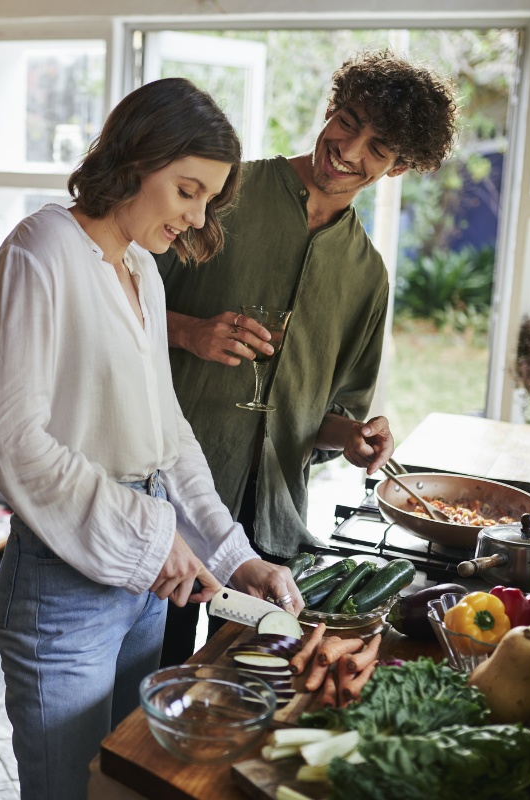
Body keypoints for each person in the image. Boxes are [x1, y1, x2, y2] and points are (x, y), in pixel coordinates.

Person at [0, 77, 305, 800]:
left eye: (208, 200)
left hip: (147, 586)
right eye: (187, 190)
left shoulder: (142, 270)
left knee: (123, 785)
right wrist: (153, 539)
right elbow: (7, 438)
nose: (196, 217)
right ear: (135, 159)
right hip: (64, 588)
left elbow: (167, 436)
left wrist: (234, 556)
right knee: (67, 791)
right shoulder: (40, 251)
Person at [156, 50, 460, 665]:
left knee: (245, 679)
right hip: (167, 498)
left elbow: (325, 416)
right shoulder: (219, 193)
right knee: (149, 673)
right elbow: (112, 301)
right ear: (330, 108)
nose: (348, 149)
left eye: (378, 148)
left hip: (273, 523)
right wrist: (189, 332)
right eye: (347, 121)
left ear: (399, 167)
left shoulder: (368, 276)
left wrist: (353, 438)